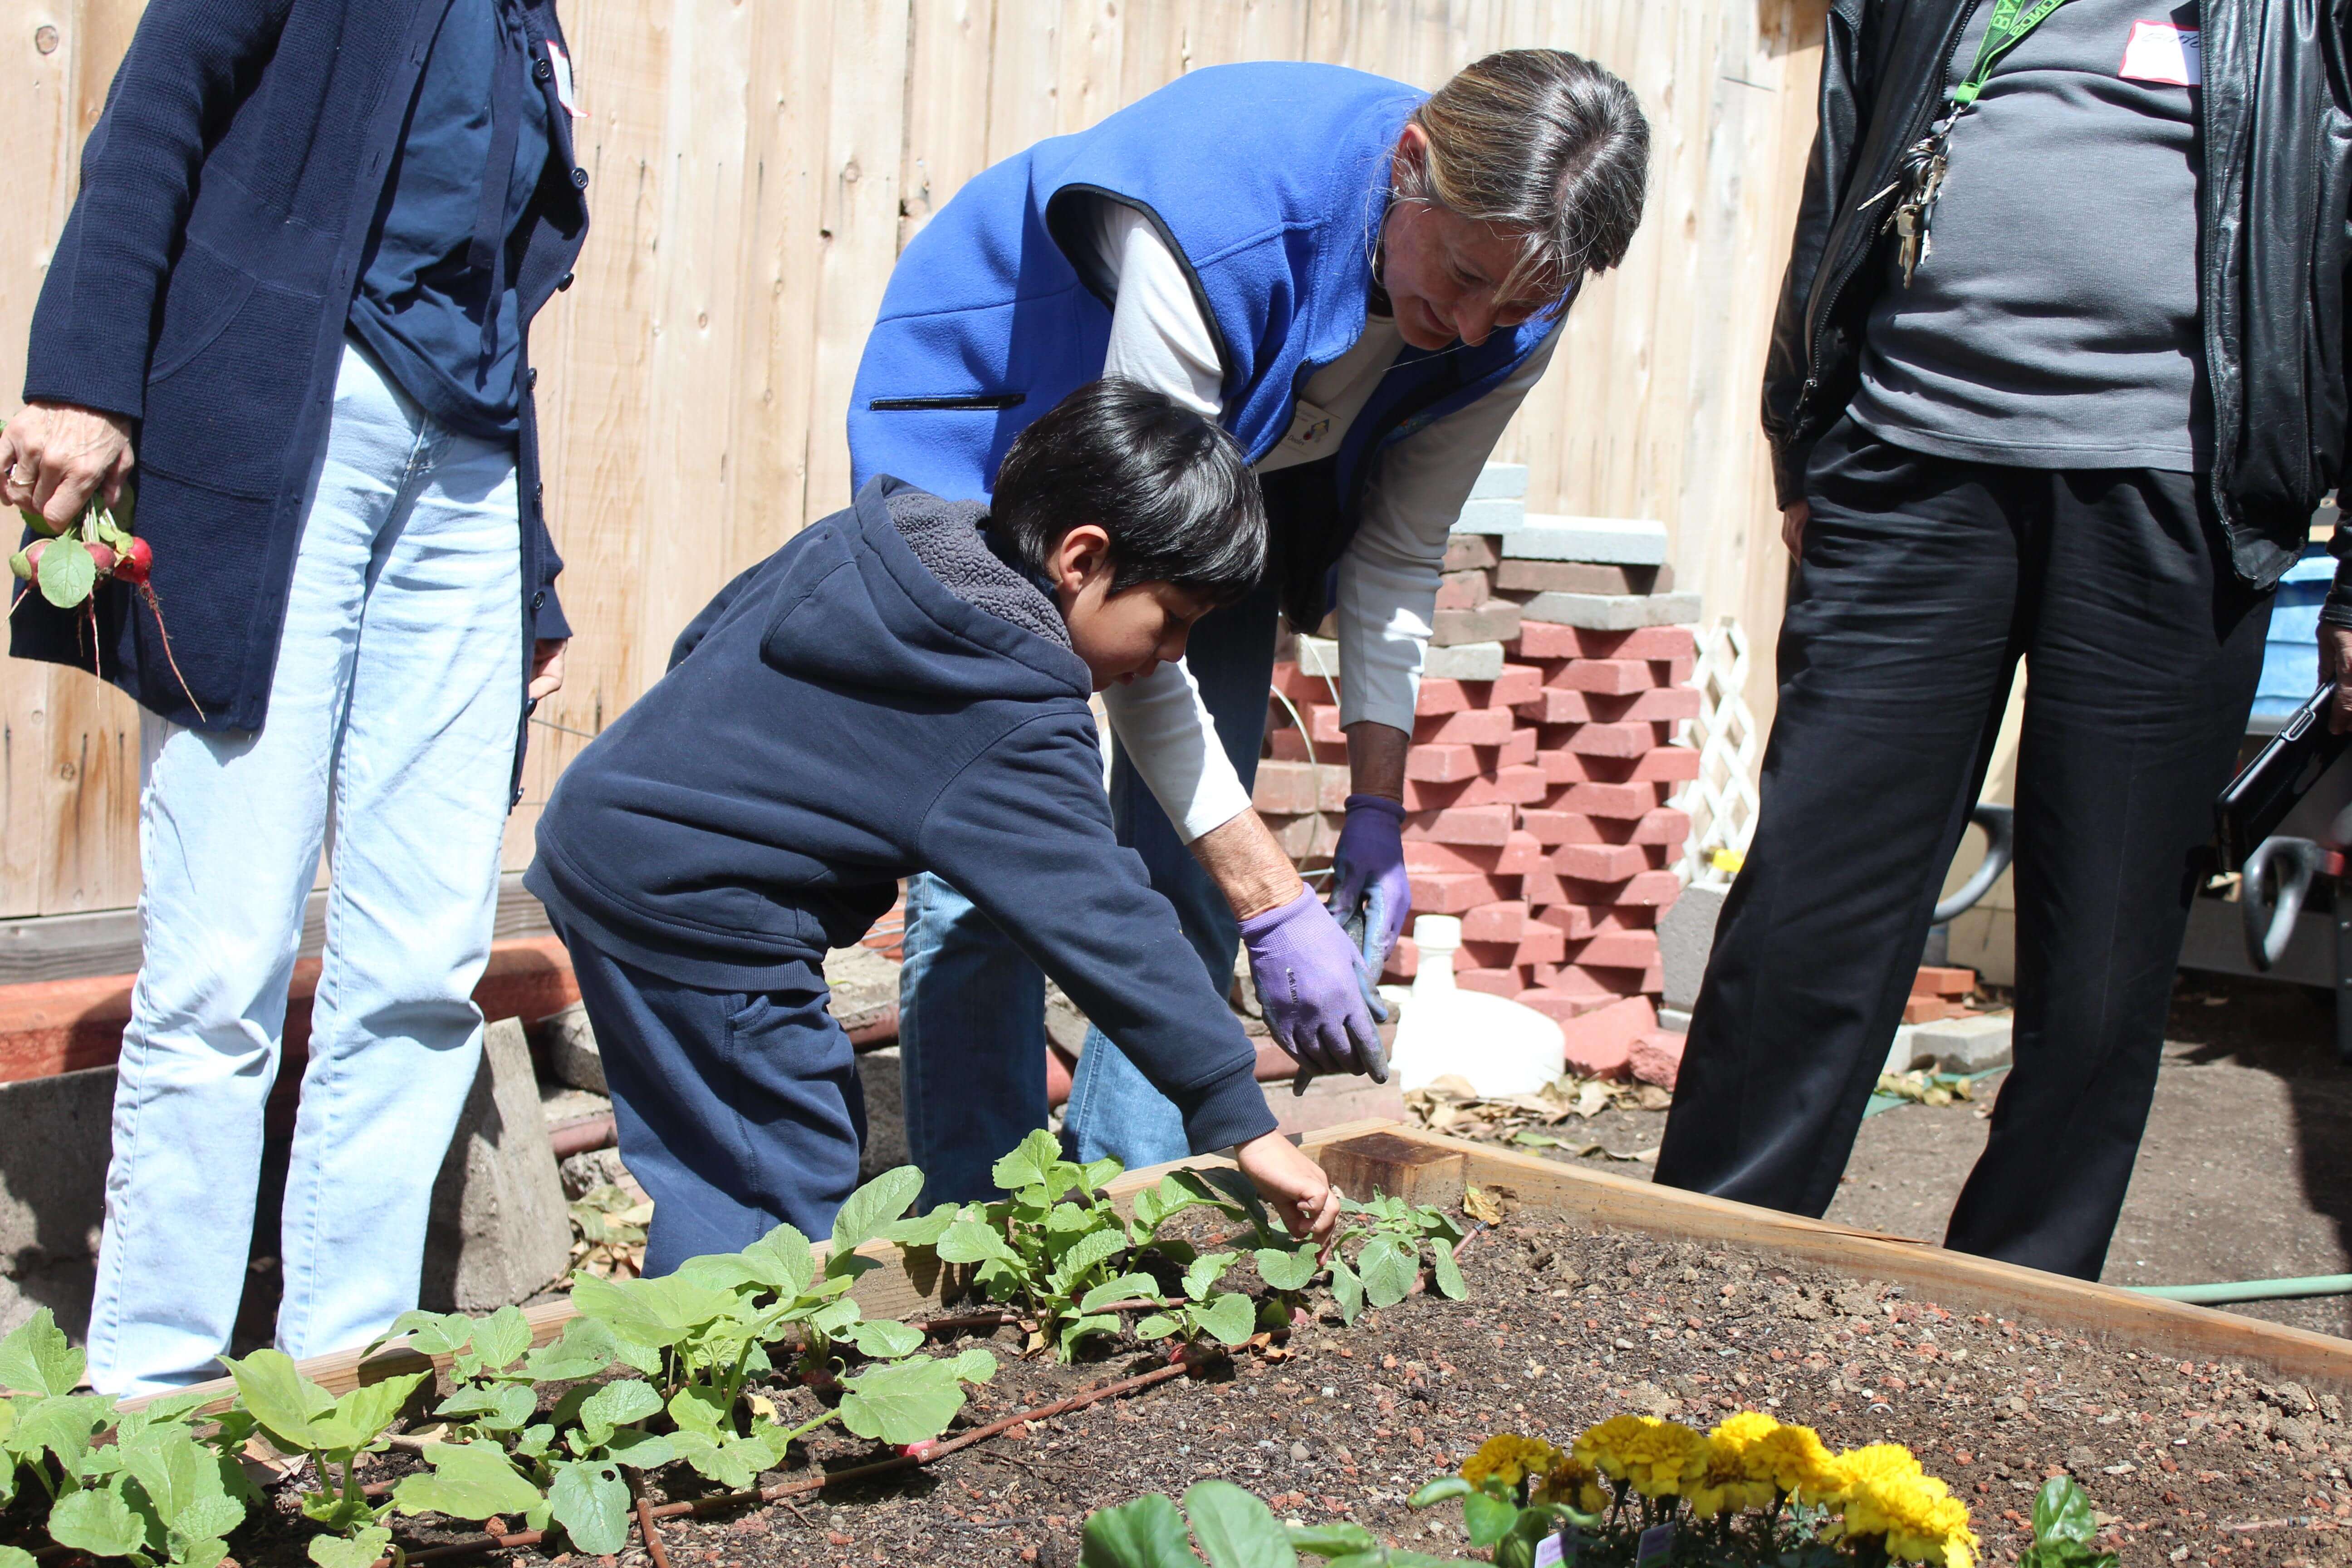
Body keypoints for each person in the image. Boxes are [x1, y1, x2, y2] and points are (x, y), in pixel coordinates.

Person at [848, 51, 1651, 1197]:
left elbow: (1398, 549)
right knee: (992, 838)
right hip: (1003, 416)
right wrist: (1276, 903)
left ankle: (1139, 1201)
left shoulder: (1524, 285)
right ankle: (982, 1215)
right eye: (1466, 274)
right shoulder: (1219, 220)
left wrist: (1377, 805)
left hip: (1232, 471)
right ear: (1410, 166)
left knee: (1190, 849)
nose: (1476, 327)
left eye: (1517, 302)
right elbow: (1123, 568)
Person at [1656, 0, 2352, 1280]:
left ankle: (2020, 1300)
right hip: (1909, 463)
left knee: (2104, 956)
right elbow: (1846, 171)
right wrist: (1801, 424)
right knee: (1805, 910)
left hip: (2179, 497)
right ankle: (1710, 1257)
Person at [4, 0, 589, 1392]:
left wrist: (532, 573)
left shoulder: (529, 18)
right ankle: (150, 1390)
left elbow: (492, 300)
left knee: (425, 960)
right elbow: (158, 111)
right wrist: (84, 377)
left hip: (466, 465)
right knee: (224, 957)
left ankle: (344, 1377)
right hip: (286, 422)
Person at [525, 381, 1342, 1267]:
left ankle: (702, 1364)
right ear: (1080, 560)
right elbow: (1104, 918)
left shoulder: (893, 540)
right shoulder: (1008, 699)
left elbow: (706, 639)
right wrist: (1238, 1114)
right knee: (768, 1178)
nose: (1174, 655)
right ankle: (708, 1389)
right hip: (702, 908)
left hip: (609, 831)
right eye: (1172, 621)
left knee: (734, 1147)